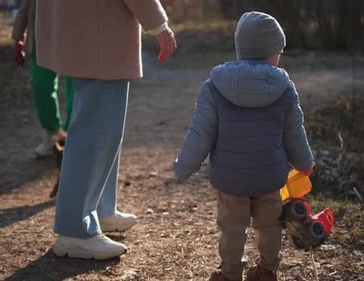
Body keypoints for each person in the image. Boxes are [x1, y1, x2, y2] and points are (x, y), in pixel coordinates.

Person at [173, 12, 315, 281]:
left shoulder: (213, 87)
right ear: (273, 51)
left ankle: (230, 273)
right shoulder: (285, 88)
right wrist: (305, 163)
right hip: (269, 177)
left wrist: (185, 166)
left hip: (230, 178)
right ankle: (267, 270)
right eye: (279, 51)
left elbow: (200, 133)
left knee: (232, 227)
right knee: (270, 225)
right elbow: (294, 134)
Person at [35, 0, 177, 260]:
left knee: (102, 129)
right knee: (96, 131)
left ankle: (100, 209)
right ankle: (77, 230)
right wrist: (159, 24)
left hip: (83, 26)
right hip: (100, 30)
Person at [11, 0, 74, 157]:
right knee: (41, 84)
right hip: (41, 34)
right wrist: (18, 35)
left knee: (77, 87)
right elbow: (27, 4)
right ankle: (52, 132)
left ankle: (72, 136)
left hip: (75, 34)